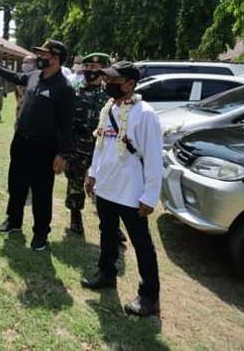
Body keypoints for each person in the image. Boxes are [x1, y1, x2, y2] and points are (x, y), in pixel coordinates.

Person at [81, 61, 163, 317]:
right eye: (107, 79)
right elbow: (100, 145)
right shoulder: (108, 108)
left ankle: (149, 296)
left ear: (130, 83)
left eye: (114, 79)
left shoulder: (146, 114)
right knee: (107, 232)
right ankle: (106, 273)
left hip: (131, 191)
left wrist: (150, 195)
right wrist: (93, 174)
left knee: (141, 244)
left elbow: (153, 159)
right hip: (106, 186)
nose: (108, 83)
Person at [0, 39, 75, 251]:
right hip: (21, 142)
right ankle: (13, 221)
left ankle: (41, 233)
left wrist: (62, 154)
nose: (40, 58)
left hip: (44, 147)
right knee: (16, 185)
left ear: (56, 59)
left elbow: (66, 125)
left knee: (41, 192)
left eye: (44, 55)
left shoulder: (64, 88)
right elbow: (15, 77)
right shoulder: (34, 76)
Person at [64, 52, 111, 235]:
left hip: (103, 149)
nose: (91, 70)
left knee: (106, 186)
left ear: (104, 69)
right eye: (88, 67)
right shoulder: (74, 91)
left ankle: (110, 223)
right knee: (75, 182)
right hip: (78, 147)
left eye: (95, 67)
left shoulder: (111, 95)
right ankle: (75, 217)